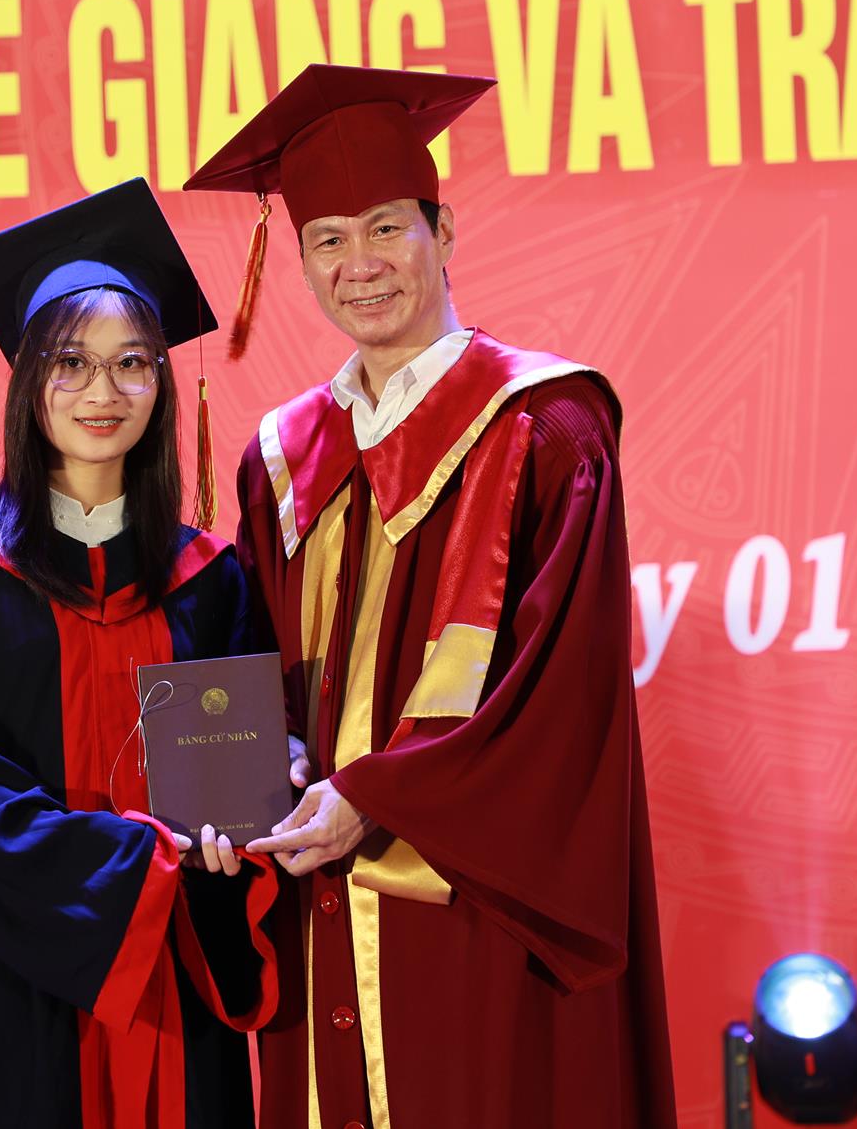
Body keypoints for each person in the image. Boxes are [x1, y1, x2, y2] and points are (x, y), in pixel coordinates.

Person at [183, 65, 678, 1128]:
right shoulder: (281, 458)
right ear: (298, 262)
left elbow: (561, 698)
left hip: (475, 916)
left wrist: (375, 798)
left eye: (384, 229)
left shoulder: (544, 430)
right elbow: (254, 664)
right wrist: (255, 770)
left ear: (443, 232)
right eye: (326, 239)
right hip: (315, 907)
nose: (357, 265)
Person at [0, 179, 281, 1129]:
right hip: (8, 984)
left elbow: (239, 792)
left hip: (174, 981)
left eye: (132, 362)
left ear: (162, 382)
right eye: (71, 362)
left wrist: (264, 804)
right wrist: (137, 867)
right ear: (29, 381)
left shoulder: (210, 578)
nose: (104, 392)